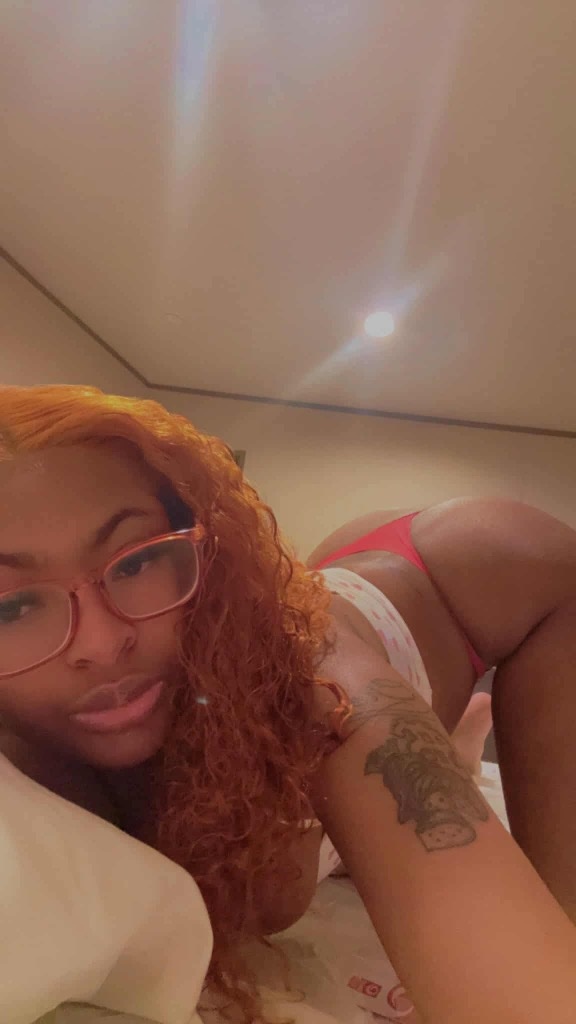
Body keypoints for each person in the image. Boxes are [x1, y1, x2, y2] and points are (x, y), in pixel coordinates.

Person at [1, 384, 576, 1024]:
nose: (103, 644)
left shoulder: (312, 676)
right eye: (13, 606)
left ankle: (447, 725)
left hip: (484, 575)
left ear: (206, 550)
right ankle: (459, 737)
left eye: (138, 562)